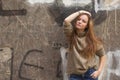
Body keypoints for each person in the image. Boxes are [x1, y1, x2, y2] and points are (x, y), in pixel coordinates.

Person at [63, 10, 106, 80]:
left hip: (90, 74)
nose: (80, 22)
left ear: (87, 26)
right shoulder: (71, 35)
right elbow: (66, 21)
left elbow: (102, 55)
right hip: (75, 75)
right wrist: (80, 12)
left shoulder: (92, 40)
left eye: (84, 21)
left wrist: (99, 71)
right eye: (78, 19)